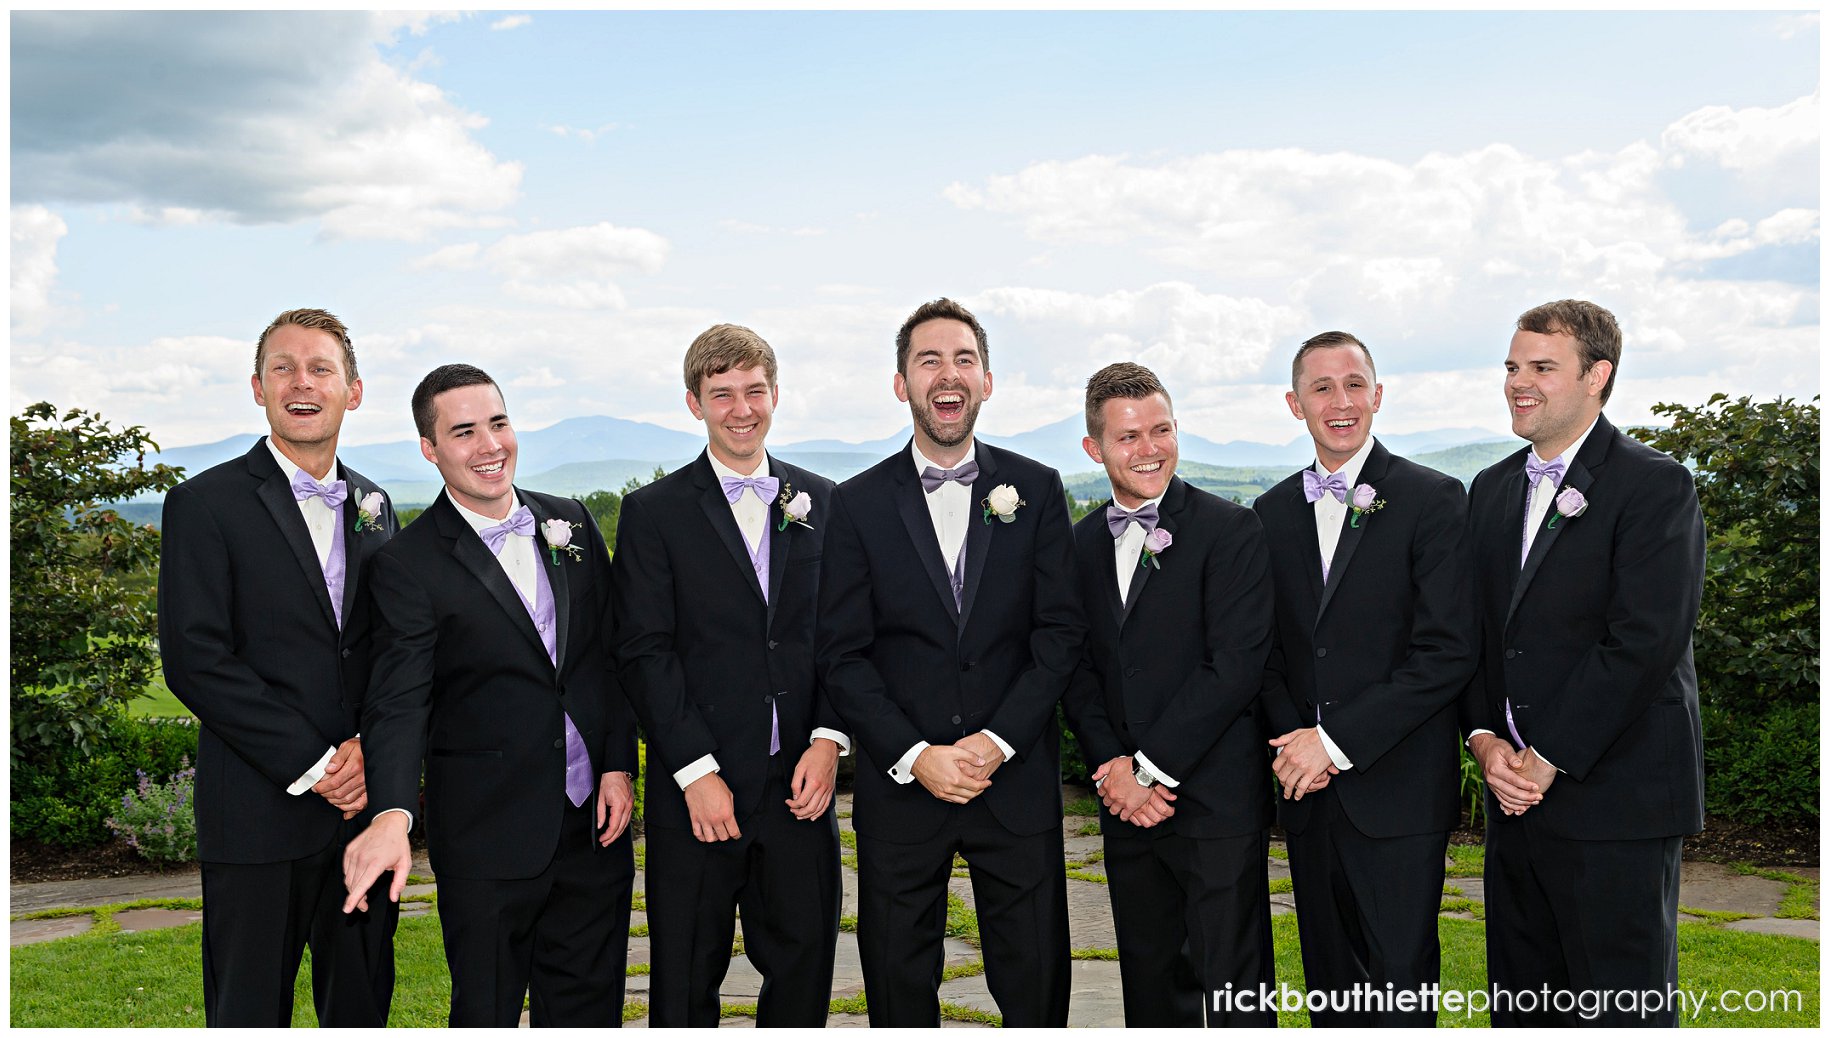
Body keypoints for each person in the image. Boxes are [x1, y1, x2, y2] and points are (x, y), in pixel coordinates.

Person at [340, 363, 638, 1027]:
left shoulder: (572, 523)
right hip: (487, 837)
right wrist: (391, 811)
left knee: (591, 1012)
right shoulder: (407, 565)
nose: (489, 445)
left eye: (498, 423)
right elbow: (398, 697)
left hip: (594, 827)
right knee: (487, 1012)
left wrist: (618, 764)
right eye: (464, 431)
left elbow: (605, 659)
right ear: (431, 448)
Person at [815, 298, 1086, 1026]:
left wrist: (995, 743)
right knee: (900, 992)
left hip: (1015, 784)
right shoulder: (855, 503)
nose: (948, 373)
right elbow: (843, 654)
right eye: (928, 359)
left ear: (987, 381)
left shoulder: (1036, 489)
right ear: (901, 383)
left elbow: (1059, 634)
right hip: (901, 792)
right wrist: (914, 754)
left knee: (1036, 987)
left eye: (964, 358)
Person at [1461, 300, 1705, 1026]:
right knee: (1523, 1003)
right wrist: (1483, 741)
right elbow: (1473, 636)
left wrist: (1548, 757)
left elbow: (1644, 642)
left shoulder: (1654, 486)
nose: (1517, 383)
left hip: (1616, 797)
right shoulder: (1493, 488)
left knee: (1616, 1007)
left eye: (1541, 367)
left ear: (1598, 376)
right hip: (1513, 798)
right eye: (1512, 366)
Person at [157, 307, 397, 1026]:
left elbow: (395, 646)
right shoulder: (203, 503)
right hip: (257, 812)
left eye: (321, 368)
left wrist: (368, 754)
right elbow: (196, 659)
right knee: (249, 1009)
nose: (302, 382)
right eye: (283, 368)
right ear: (257, 388)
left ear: (352, 391)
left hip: (362, 813)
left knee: (361, 1005)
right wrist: (316, 762)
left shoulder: (376, 506)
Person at [611, 324, 847, 1026]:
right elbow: (644, 651)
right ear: (694, 403)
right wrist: (693, 771)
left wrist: (829, 739)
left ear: (775, 393)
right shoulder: (653, 513)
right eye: (722, 395)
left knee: (804, 975)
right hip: (698, 794)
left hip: (800, 789)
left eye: (754, 391)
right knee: (684, 983)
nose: (741, 408)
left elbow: (845, 635)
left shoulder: (825, 500)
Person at [1255, 332, 1476, 1025]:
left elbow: (1446, 650)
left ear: (1377, 396)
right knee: (1330, 984)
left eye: (1354, 384)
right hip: (1307, 791)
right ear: (1296, 404)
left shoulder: (1435, 500)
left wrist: (1335, 740)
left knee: (1400, 985)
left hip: (1399, 789)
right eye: (1321, 388)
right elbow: (1262, 652)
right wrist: (1296, 743)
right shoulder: (1267, 515)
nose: (1340, 401)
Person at [1060, 362, 1277, 1026]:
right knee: (1150, 984)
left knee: (1233, 989)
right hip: (1126, 806)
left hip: (1213, 802)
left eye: (1161, 430)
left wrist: (1149, 768)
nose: (1149, 448)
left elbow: (1235, 667)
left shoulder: (1230, 531)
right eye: (1128, 437)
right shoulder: (1077, 546)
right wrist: (1112, 770)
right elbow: (1076, 669)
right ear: (1095, 449)